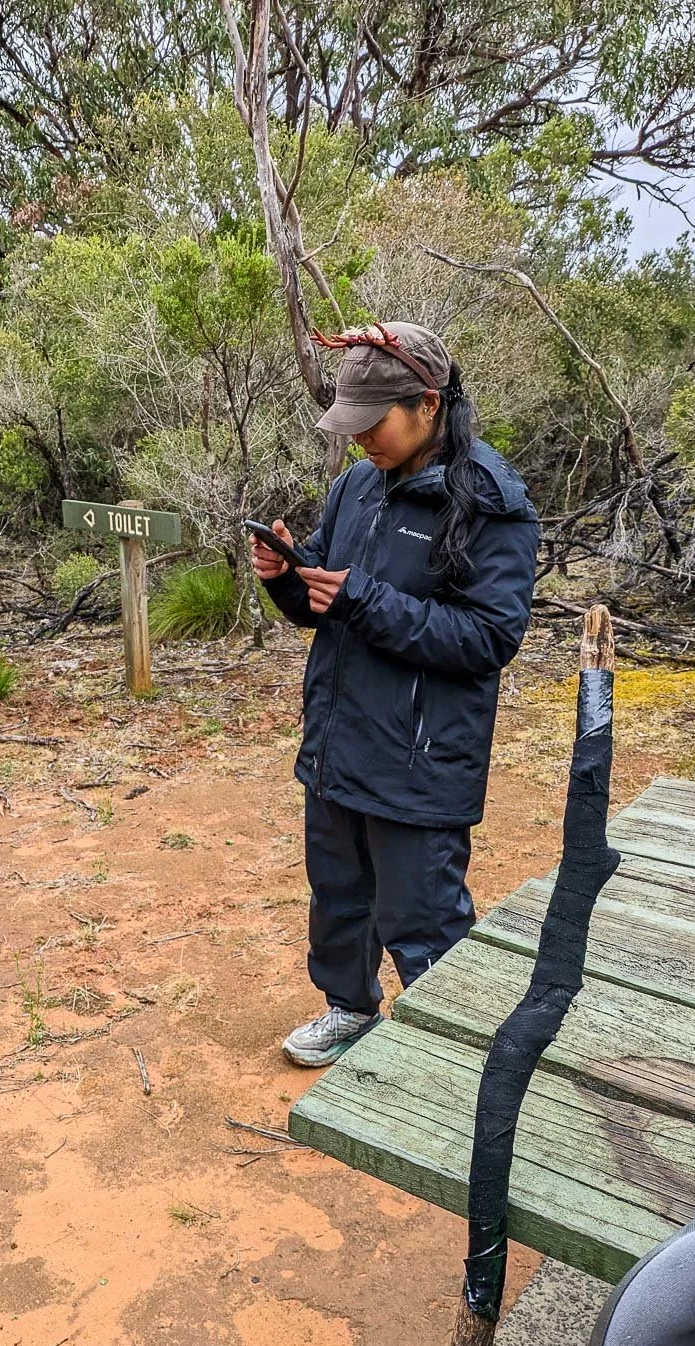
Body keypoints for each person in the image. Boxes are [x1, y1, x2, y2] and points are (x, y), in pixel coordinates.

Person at [250, 321, 539, 1068]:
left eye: (372, 423)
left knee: (423, 914)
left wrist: (363, 602)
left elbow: (488, 638)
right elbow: (326, 594)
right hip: (340, 742)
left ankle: (451, 1053)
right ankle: (348, 1009)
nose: (359, 441)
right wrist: (286, 575)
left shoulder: (489, 501)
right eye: (349, 427)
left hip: (420, 757)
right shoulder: (358, 485)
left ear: (428, 404)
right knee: (339, 898)